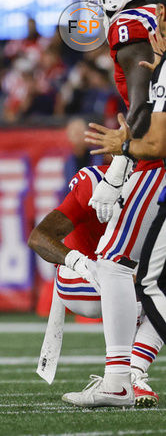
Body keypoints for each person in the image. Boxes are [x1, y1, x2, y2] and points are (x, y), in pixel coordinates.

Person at [63, 0, 166, 408]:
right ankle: (131, 373)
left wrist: (121, 164)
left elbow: (145, 99)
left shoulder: (130, 23)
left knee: (112, 262)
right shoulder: (150, 22)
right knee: (157, 282)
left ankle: (118, 378)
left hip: (156, 160)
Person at [28, 165, 162, 407]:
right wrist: (82, 263)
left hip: (126, 274)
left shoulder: (156, 181)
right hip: (82, 278)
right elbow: (39, 236)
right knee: (150, 288)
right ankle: (125, 378)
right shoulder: (95, 180)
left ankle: (133, 373)